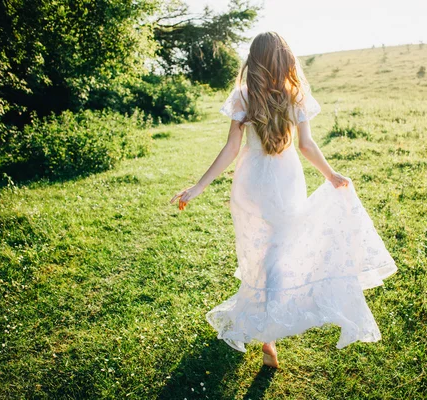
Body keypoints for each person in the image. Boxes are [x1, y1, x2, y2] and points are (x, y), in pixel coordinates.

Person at [170, 32, 397, 368]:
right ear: (285, 60)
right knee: (279, 252)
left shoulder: (244, 96)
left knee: (261, 253)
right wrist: (330, 175)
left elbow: (232, 149)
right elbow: (306, 145)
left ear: (255, 60)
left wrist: (199, 187)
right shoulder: (297, 96)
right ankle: (271, 328)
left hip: (251, 182)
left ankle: (268, 337)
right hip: (286, 179)